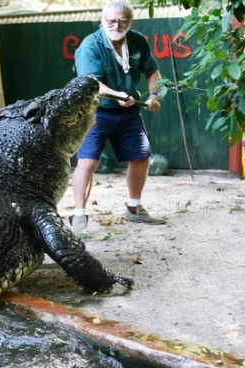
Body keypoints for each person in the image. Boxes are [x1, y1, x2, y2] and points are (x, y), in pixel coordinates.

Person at [70, 0, 166, 233]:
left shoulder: (137, 41)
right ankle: (79, 215)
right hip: (95, 112)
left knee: (141, 158)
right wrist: (119, 95)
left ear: (130, 22)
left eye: (122, 21)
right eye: (111, 20)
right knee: (88, 162)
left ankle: (134, 209)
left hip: (128, 112)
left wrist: (155, 95)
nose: (116, 25)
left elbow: (153, 71)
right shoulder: (90, 46)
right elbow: (92, 84)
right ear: (103, 20)